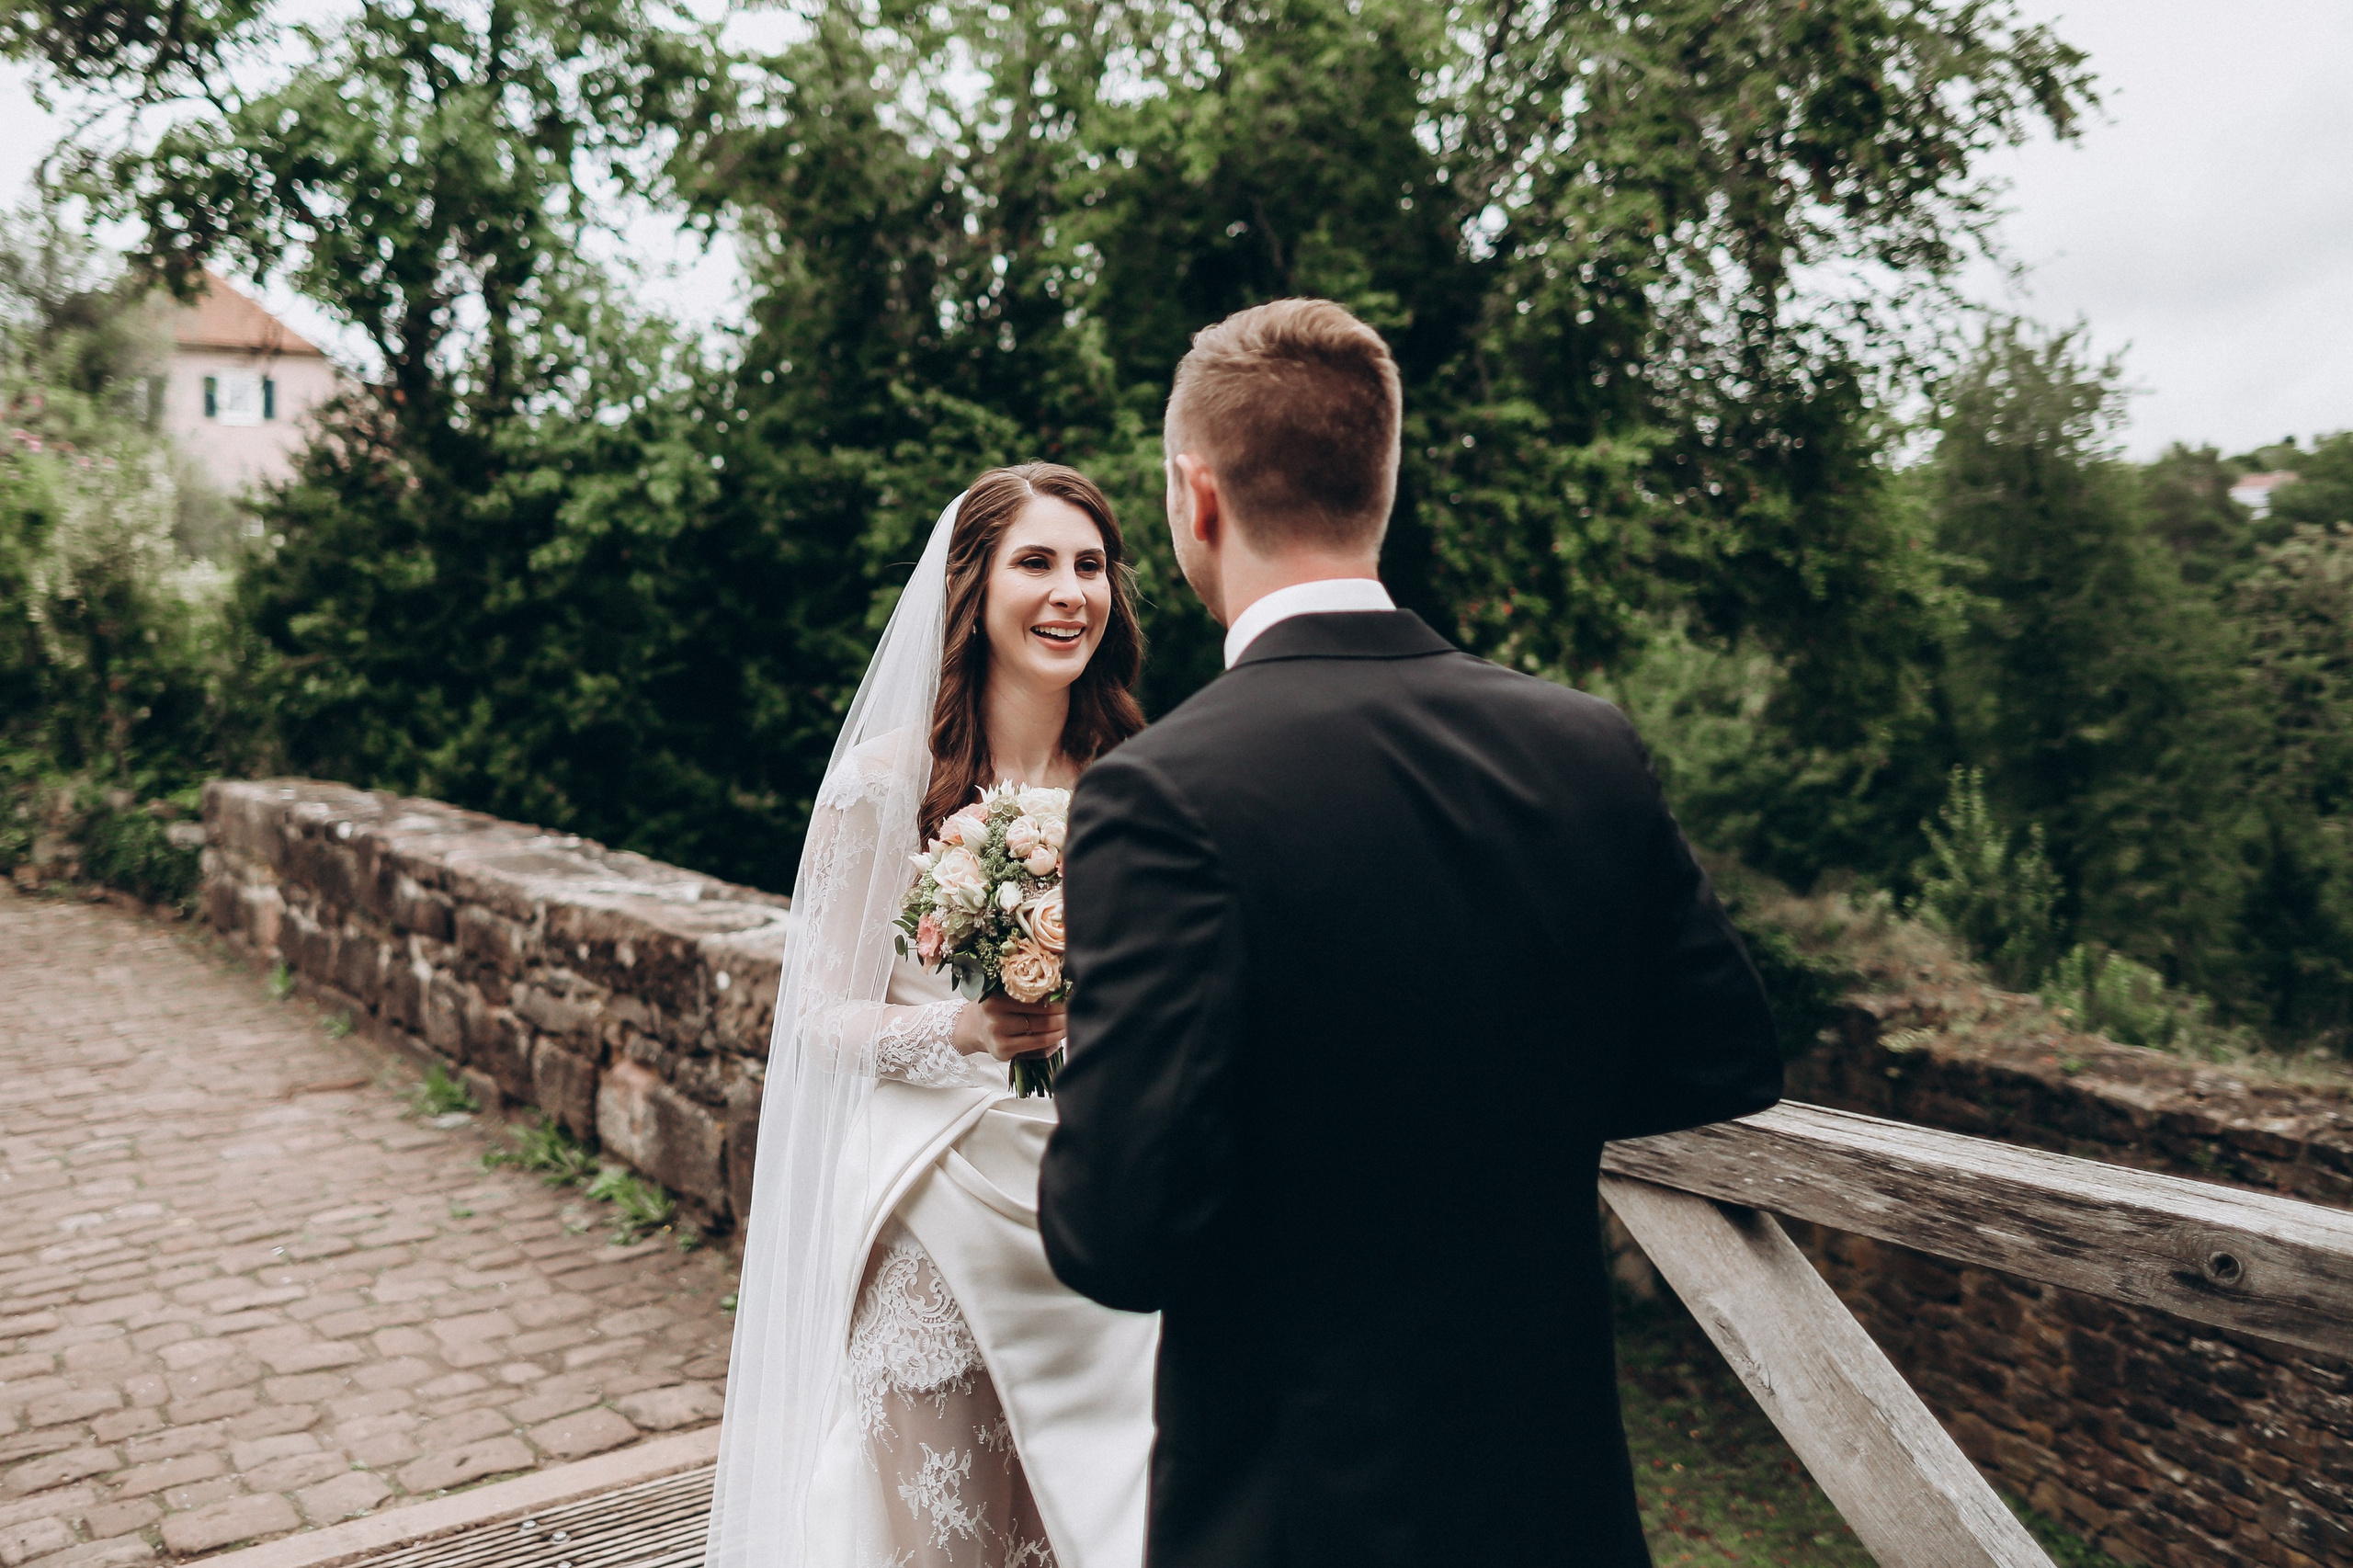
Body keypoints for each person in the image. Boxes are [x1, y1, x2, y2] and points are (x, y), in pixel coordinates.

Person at [1038, 299, 1784, 1568]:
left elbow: (1119, 1232)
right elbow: (1722, 1055)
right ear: (1380, 483)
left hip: (1302, 1511)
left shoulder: (1165, 793)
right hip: (1556, 1502)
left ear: (1195, 498)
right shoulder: (1581, 745)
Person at [708, 466, 1160, 1568]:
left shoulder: (1136, 780)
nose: (1070, 594)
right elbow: (818, 1015)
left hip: (1094, 1208)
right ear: (974, 586)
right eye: (1037, 563)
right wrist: (962, 1033)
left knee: (1099, 1532)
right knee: (944, 1535)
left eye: (1090, 565)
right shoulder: (888, 781)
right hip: (938, 1204)